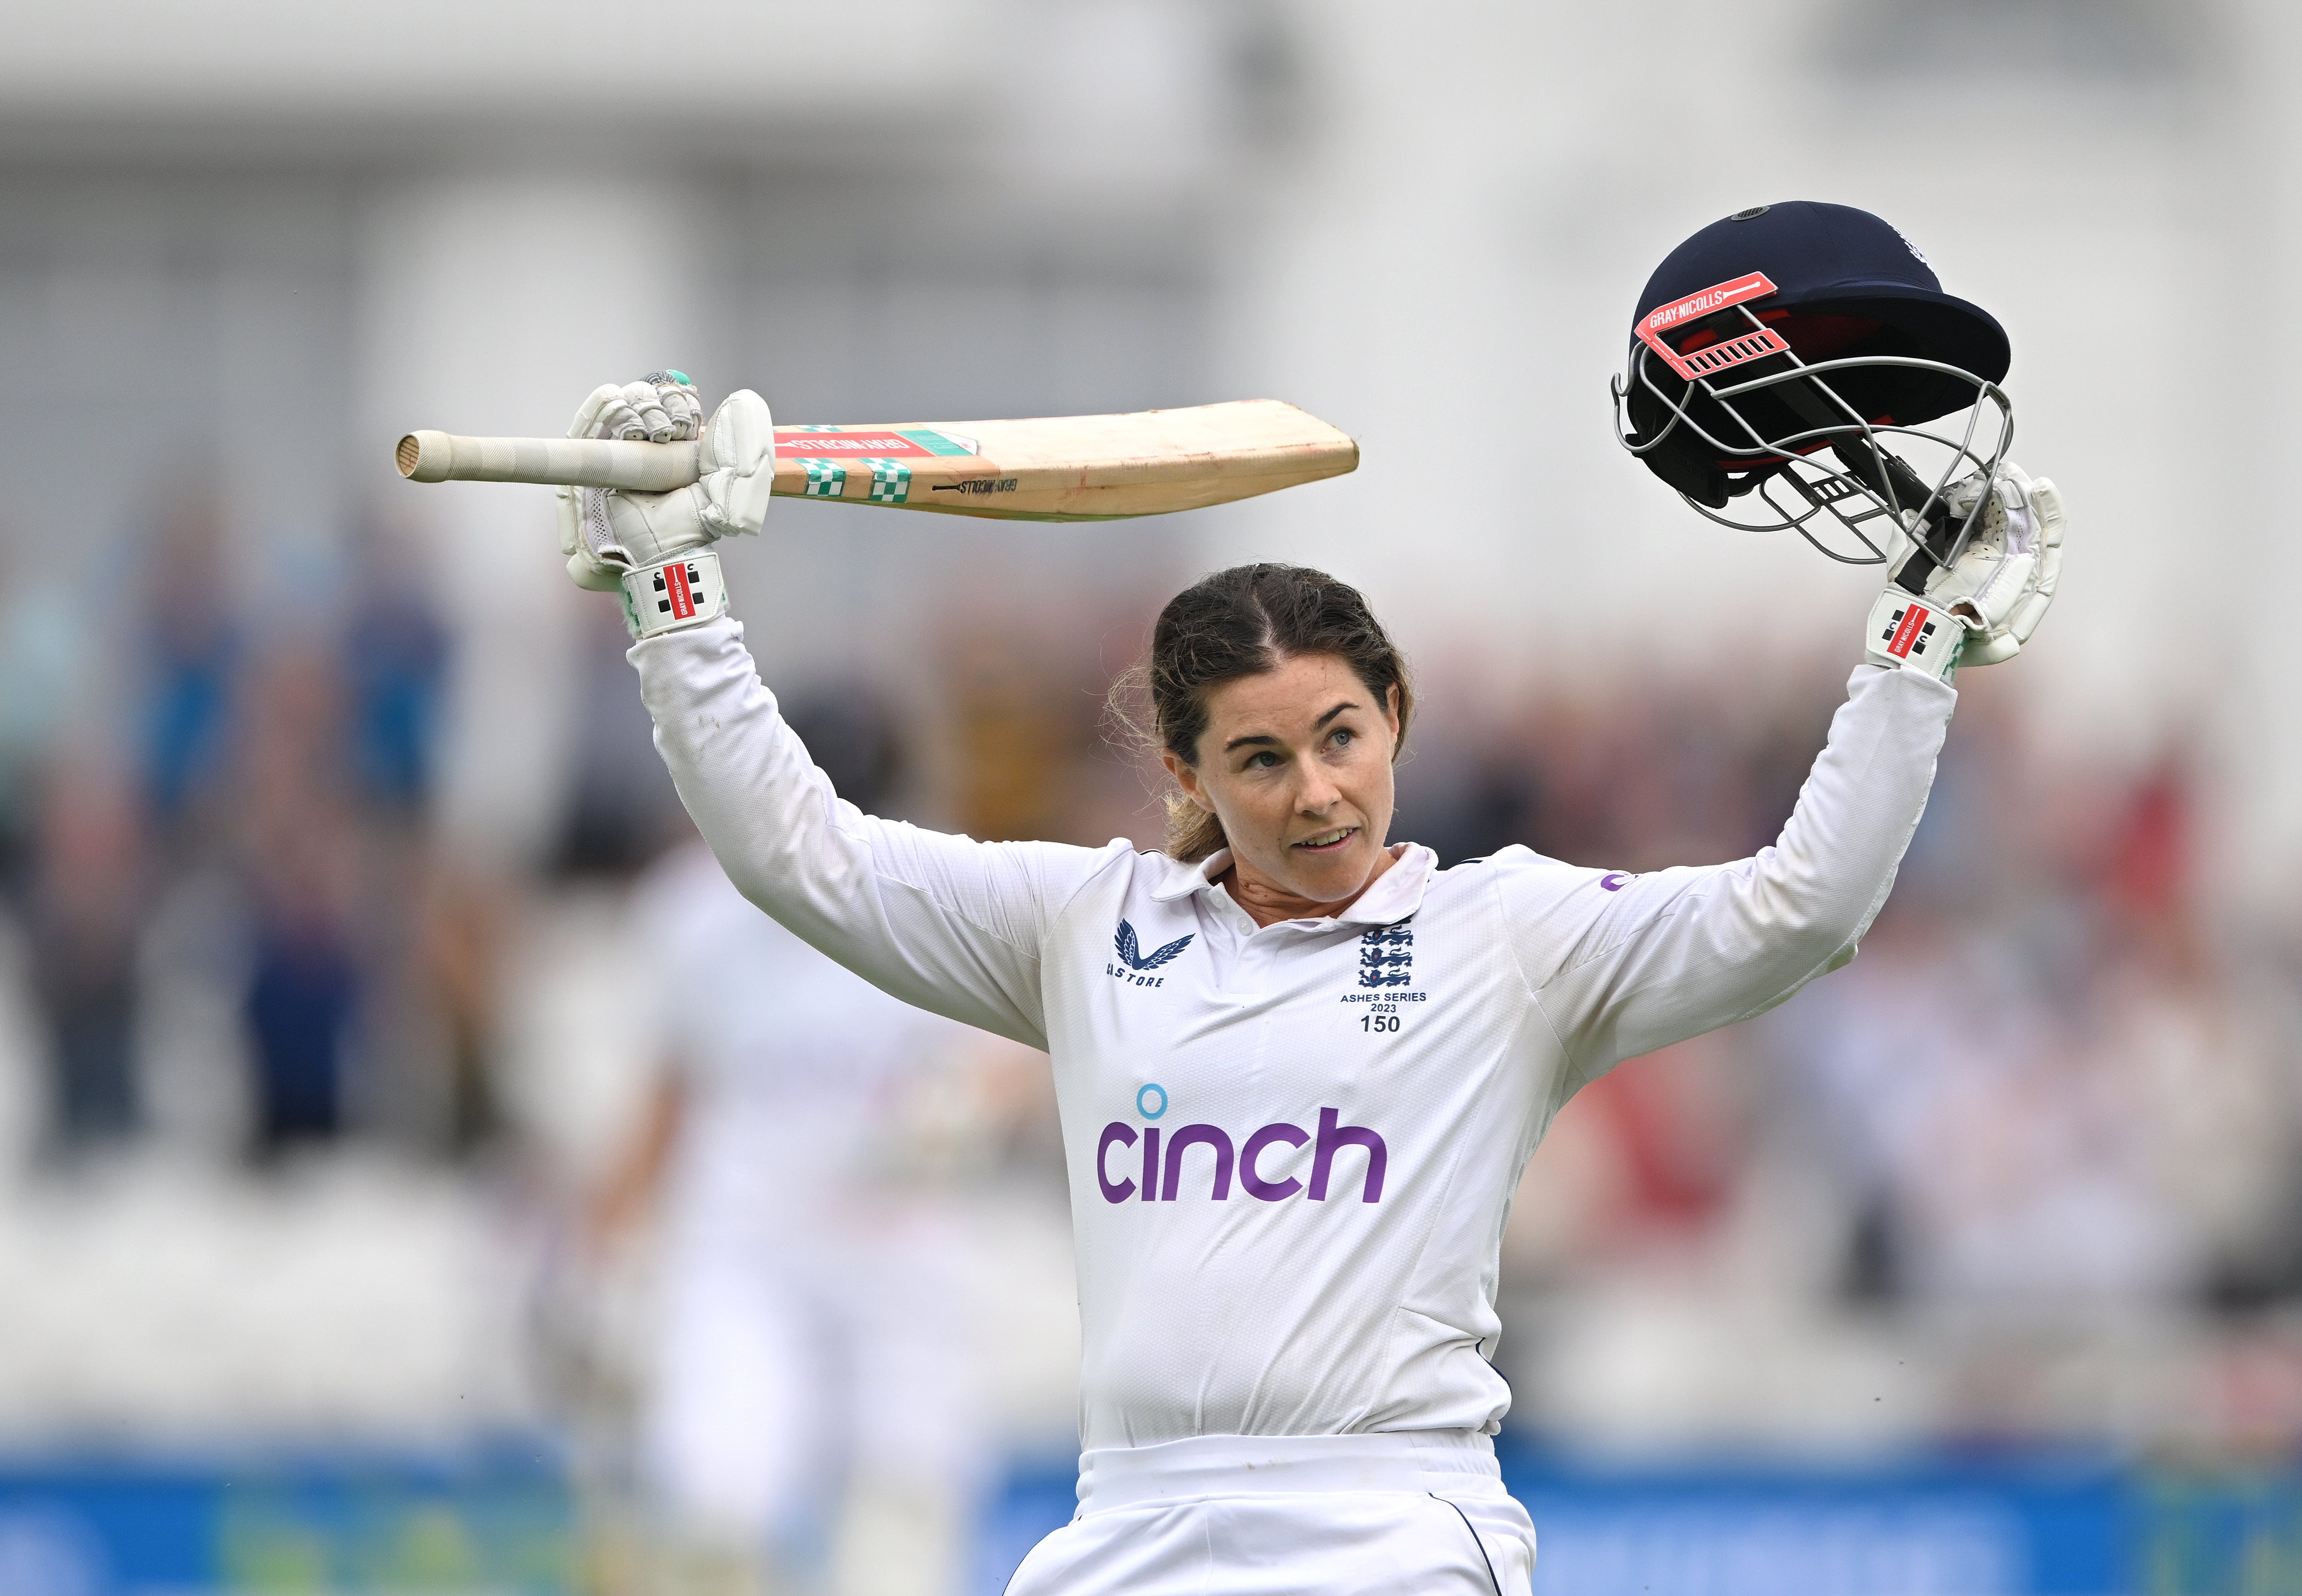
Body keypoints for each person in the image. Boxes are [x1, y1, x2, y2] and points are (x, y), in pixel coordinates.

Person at [549, 365, 2061, 1594]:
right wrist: (673, 585)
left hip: (1390, 1528)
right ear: (1190, 774)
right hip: (1130, 1527)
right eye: (1259, 760)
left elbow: (1798, 911)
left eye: (1341, 735)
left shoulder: (1512, 936)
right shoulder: (1080, 925)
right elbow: (795, 851)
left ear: (1395, 712)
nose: (1316, 792)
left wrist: (1908, 659)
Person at [586, 693, 996, 1596]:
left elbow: (1016, 1061)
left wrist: (966, 1103)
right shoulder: (694, 913)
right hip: (746, 1248)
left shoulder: (938, 887)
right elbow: (668, 1095)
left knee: (905, 1513)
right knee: (717, 1511)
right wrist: (601, 1256)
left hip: (899, 1247)